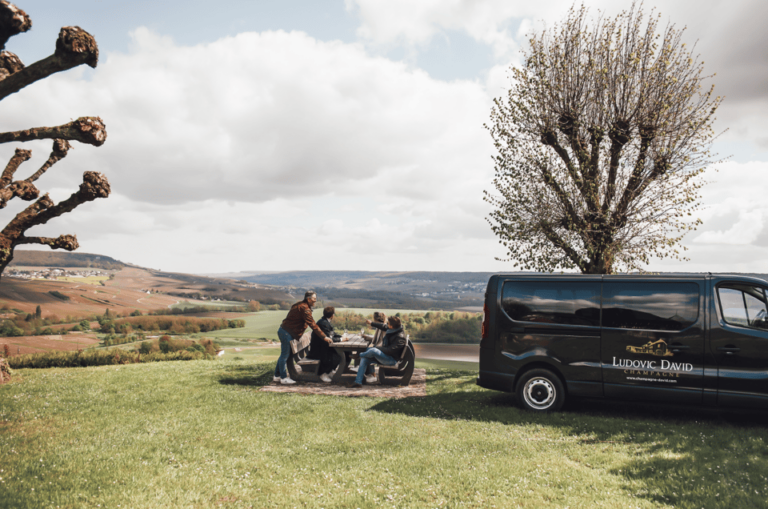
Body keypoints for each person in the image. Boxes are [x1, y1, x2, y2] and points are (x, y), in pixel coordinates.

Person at [274, 291, 330, 384]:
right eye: (314, 299)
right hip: (287, 333)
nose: (315, 301)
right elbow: (312, 324)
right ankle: (283, 378)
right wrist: (324, 337)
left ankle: (277, 375)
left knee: (284, 355)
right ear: (308, 299)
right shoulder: (304, 308)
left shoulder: (300, 305)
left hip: (286, 331)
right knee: (285, 355)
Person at [349, 316, 406, 388]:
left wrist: (376, 348)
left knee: (373, 350)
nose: (387, 325)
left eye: (388, 324)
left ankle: (359, 355)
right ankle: (358, 382)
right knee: (365, 358)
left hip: (391, 360)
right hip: (386, 356)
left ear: (391, 326)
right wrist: (371, 323)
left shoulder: (400, 337)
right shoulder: (395, 329)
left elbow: (389, 350)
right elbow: (383, 326)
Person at [308, 306, 342, 382]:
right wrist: (341, 339)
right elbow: (329, 339)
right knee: (337, 353)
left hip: (321, 347)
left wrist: (341, 336)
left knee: (342, 353)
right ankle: (322, 374)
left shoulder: (324, 321)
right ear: (332, 315)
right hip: (317, 351)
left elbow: (331, 334)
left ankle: (329, 371)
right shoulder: (323, 323)